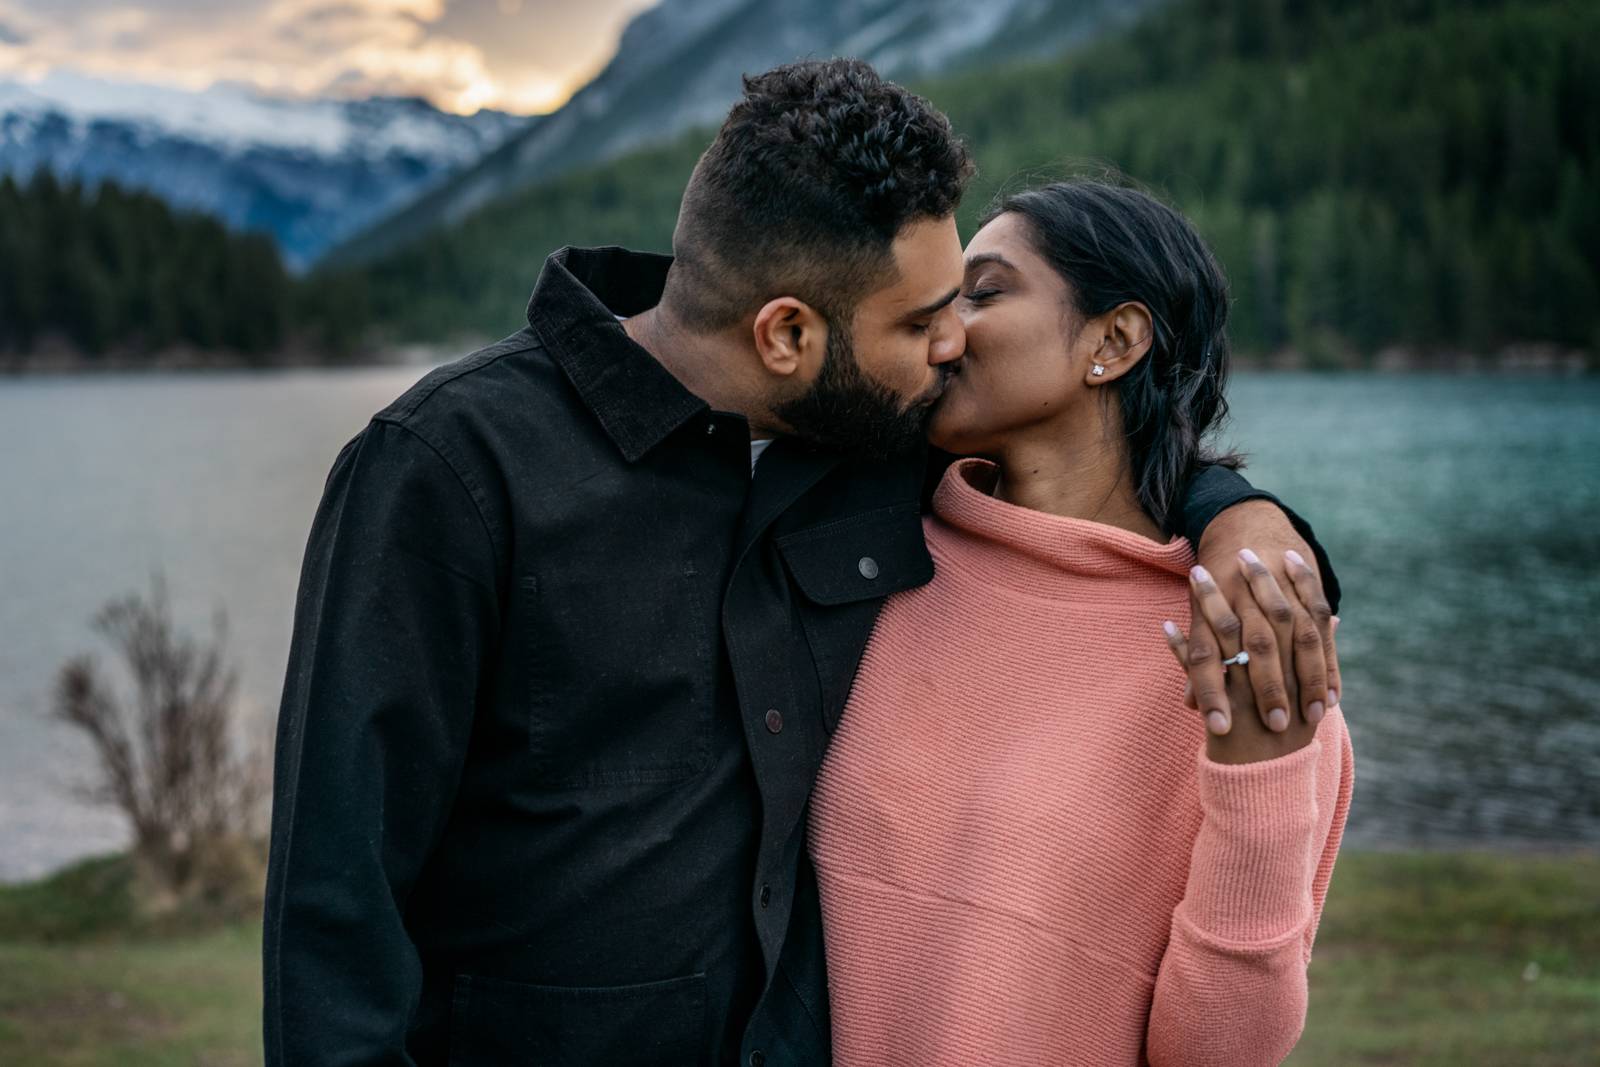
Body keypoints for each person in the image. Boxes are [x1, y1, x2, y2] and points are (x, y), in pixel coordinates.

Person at [263, 61, 1341, 1065]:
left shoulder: (872, 443)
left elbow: (1093, 498)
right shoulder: (452, 468)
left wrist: (1241, 519)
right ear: (784, 334)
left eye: (970, 299)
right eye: (924, 315)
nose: (949, 342)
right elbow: (335, 901)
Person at [808, 179, 1354, 1066]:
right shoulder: (863, 552)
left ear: (1115, 339)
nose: (942, 333)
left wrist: (1260, 767)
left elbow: (1218, 1052)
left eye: (984, 293)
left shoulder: (1246, 642)